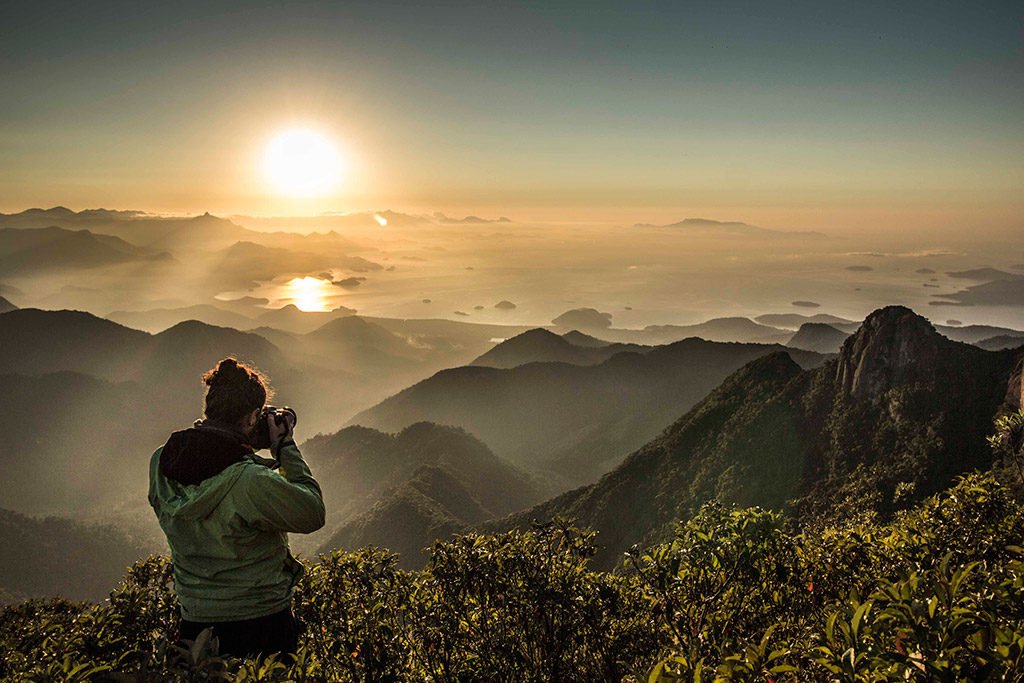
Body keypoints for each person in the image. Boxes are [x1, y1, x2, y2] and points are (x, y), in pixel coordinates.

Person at [148, 357, 325, 659]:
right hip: (261, 624)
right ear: (252, 417)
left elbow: (210, 457)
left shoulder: (163, 462)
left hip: (195, 626)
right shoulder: (250, 481)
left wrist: (242, 443)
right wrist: (285, 448)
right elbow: (312, 512)